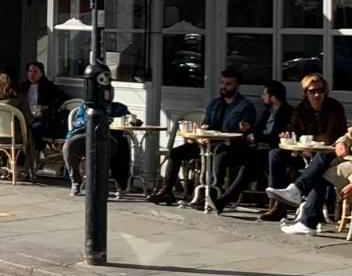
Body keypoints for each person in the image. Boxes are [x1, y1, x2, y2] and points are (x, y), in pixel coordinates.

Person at [147, 68, 256, 206]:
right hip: (206, 143)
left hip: (229, 146)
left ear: (237, 86)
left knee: (218, 156)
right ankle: (167, 190)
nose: (224, 86)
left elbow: (245, 132)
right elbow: (206, 125)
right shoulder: (215, 103)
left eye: (228, 84)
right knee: (176, 152)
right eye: (222, 83)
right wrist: (200, 136)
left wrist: (244, 128)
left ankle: (210, 195)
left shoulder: (245, 106)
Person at [261, 73, 348, 222]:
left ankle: (297, 191)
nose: (317, 94)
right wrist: (289, 138)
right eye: (312, 91)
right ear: (305, 92)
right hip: (304, 154)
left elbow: (333, 136)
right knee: (275, 154)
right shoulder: (301, 110)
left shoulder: (334, 107)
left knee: (322, 157)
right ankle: (279, 206)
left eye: (320, 90)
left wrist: (312, 141)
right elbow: (295, 132)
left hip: (330, 154)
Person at [211, 80, 292, 214]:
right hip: (257, 149)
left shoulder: (286, 113)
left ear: (273, 97)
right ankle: (214, 190)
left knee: (249, 167)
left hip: (271, 153)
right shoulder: (268, 112)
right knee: (222, 153)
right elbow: (260, 130)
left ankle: (223, 200)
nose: (262, 97)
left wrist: (257, 137)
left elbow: (279, 137)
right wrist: (250, 130)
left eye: (264, 94)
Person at [270, 125, 352, 236]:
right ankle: (297, 193)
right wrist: (340, 142)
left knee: (320, 172)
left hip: (348, 165)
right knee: (323, 158)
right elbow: (349, 135)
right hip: (346, 161)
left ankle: (305, 215)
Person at [62, 99, 133, 197]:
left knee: (120, 145)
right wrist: (92, 119)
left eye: (109, 93)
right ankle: (76, 180)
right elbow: (78, 122)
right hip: (85, 133)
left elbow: (127, 119)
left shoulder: (119, 108)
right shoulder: (85, 107)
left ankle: (116, 183)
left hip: (110, 135)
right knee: (70, 145)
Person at [18, 61, 68, 148]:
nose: (32, 74)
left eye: (35, 71)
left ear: (41, 73)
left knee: (35, 128)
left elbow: (63, 97)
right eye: (30, 71)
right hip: (25, 116)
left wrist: (48, 107)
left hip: (41, 118)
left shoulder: (48, 87)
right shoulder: (23, 86)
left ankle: (36, 150)